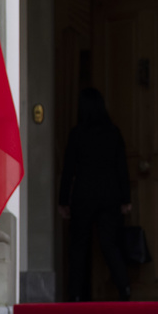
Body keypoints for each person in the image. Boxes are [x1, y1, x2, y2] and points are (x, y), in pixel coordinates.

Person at [59, 87, 133, 301]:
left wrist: (63, 200)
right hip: (110, 195)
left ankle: (75, 294)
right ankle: (124, 289)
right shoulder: (113, 132)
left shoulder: (77, 133)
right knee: (110, 245)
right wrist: (126, 199)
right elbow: (122, 167)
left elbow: (68, 169)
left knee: (79, 247)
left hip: (83, 196)